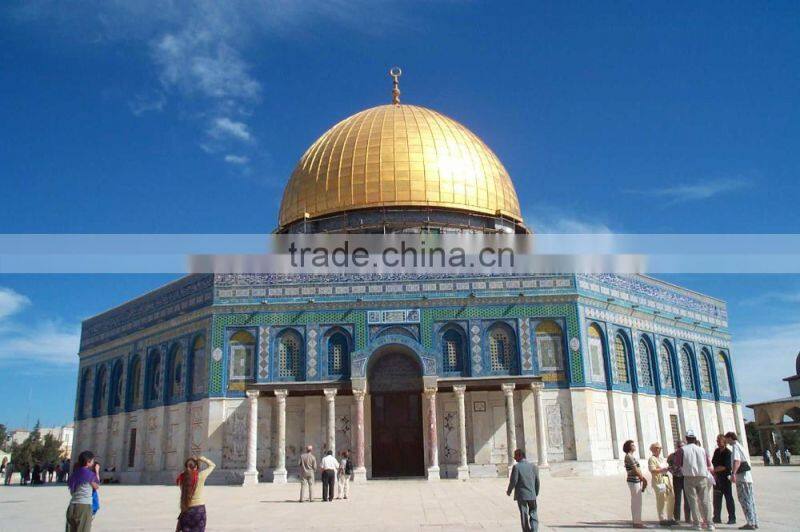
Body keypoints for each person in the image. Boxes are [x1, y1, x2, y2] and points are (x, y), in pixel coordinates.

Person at [674, 431, 714, 531]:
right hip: (702, 476)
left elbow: (678, 464)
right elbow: (709, 464)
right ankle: (710, 524)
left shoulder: (682, 450)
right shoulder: (702, 450)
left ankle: (697, 524)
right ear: (695, 438)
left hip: (689, 477)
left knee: (692, 501)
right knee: (705, 500)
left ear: (686, 438)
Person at [725, 431, 759, 530]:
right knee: (750, 500)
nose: (726, 441)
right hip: (747, 478)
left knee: (744, 500)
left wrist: (733, 474)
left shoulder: (735, 447)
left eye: (727, 439)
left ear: (730, 438)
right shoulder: (740, 446)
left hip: (742, 479)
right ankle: (754, 521)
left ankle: (750, 523)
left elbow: (737, 461)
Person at [176, 455, 215, 532]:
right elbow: (212, 465)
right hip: (199, 510)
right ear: (196, 467)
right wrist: (201, 458)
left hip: (186, 509)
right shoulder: (200, 476)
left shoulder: (182, 478)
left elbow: (184, 495)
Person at [506, 449, 540, 532]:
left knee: (524, 514)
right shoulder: (533, 466)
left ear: (520, 456)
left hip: (522, 496)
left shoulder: (516, 467)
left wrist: (509, 491)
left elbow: (513, 481)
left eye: (515, 456)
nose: (514, 458)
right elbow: (537, 481)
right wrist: (536, 492)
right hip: (532, 494)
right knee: (533, 512)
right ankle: (534, 529)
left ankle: (526, 531)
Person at [66, 450, 100, 532]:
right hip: (84, 507)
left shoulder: (74, 474)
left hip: (72, 506)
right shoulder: (89, 474)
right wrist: (97, 471)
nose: (93, 462)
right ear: (88, 462)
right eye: (92, 461)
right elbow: (97, 486)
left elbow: (72, 492)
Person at [648, 443, 676, 526]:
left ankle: (670, 517)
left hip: (666, 479)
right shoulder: (652, 459)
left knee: (671, 497)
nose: (658, 450)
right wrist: (662, 469)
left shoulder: (661, 458)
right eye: (656, 448)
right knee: (662, 498)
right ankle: (662, 518)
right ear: (652, 449)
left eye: (659, 448)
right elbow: (652, 470)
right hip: (659, 481)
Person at [622, 440, 648, 529]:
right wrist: (643, 479)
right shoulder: (629, 456)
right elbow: (635, 469)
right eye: (632, 445)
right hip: (633, 480)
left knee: (635, 501)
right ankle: (637, 522)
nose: (634, 446)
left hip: (635, 480)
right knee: (637, 501)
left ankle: (636, 520)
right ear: (628, 447)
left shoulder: (631, 456)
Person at [711, 434, 735, 525]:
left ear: (724, 442)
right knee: (717, 499)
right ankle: (717, 517)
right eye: (717, 441)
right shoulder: (717, 451)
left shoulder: (728, 453)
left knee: (728, 498)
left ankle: (732, 517)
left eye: (719, 441)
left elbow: (726, 466)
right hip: (717, 478)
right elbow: (713, 462)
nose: (717, 443)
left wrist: (714, 470)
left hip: (725, 478)